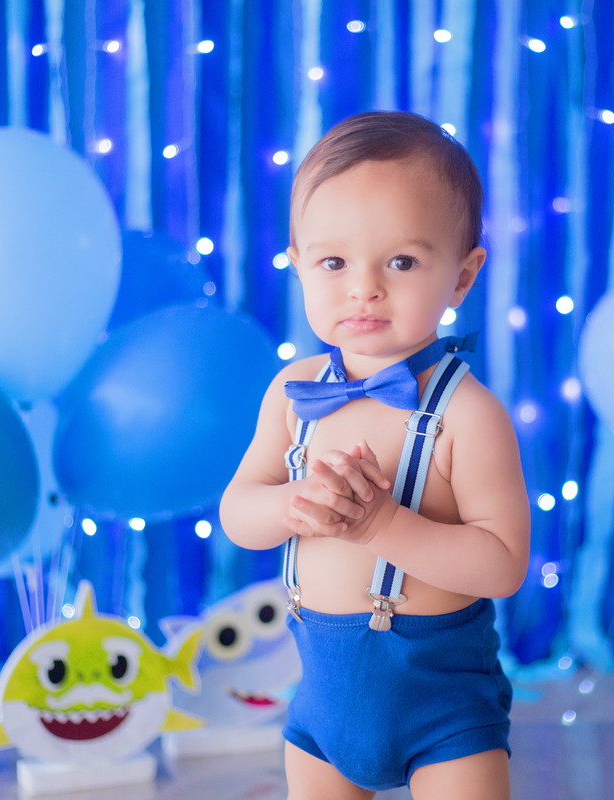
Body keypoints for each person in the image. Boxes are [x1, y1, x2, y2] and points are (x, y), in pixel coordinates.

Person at [220, 111, 530, 800]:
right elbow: (239, 513)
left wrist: (381, 526)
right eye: (333, 262)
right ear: (298, 264)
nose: (364, 287)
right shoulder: (293, 392)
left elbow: (503, 563)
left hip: (444, 712)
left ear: (462, 276)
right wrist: (289, 503)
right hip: (324, 709)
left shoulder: (467, 414)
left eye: (401, 261)